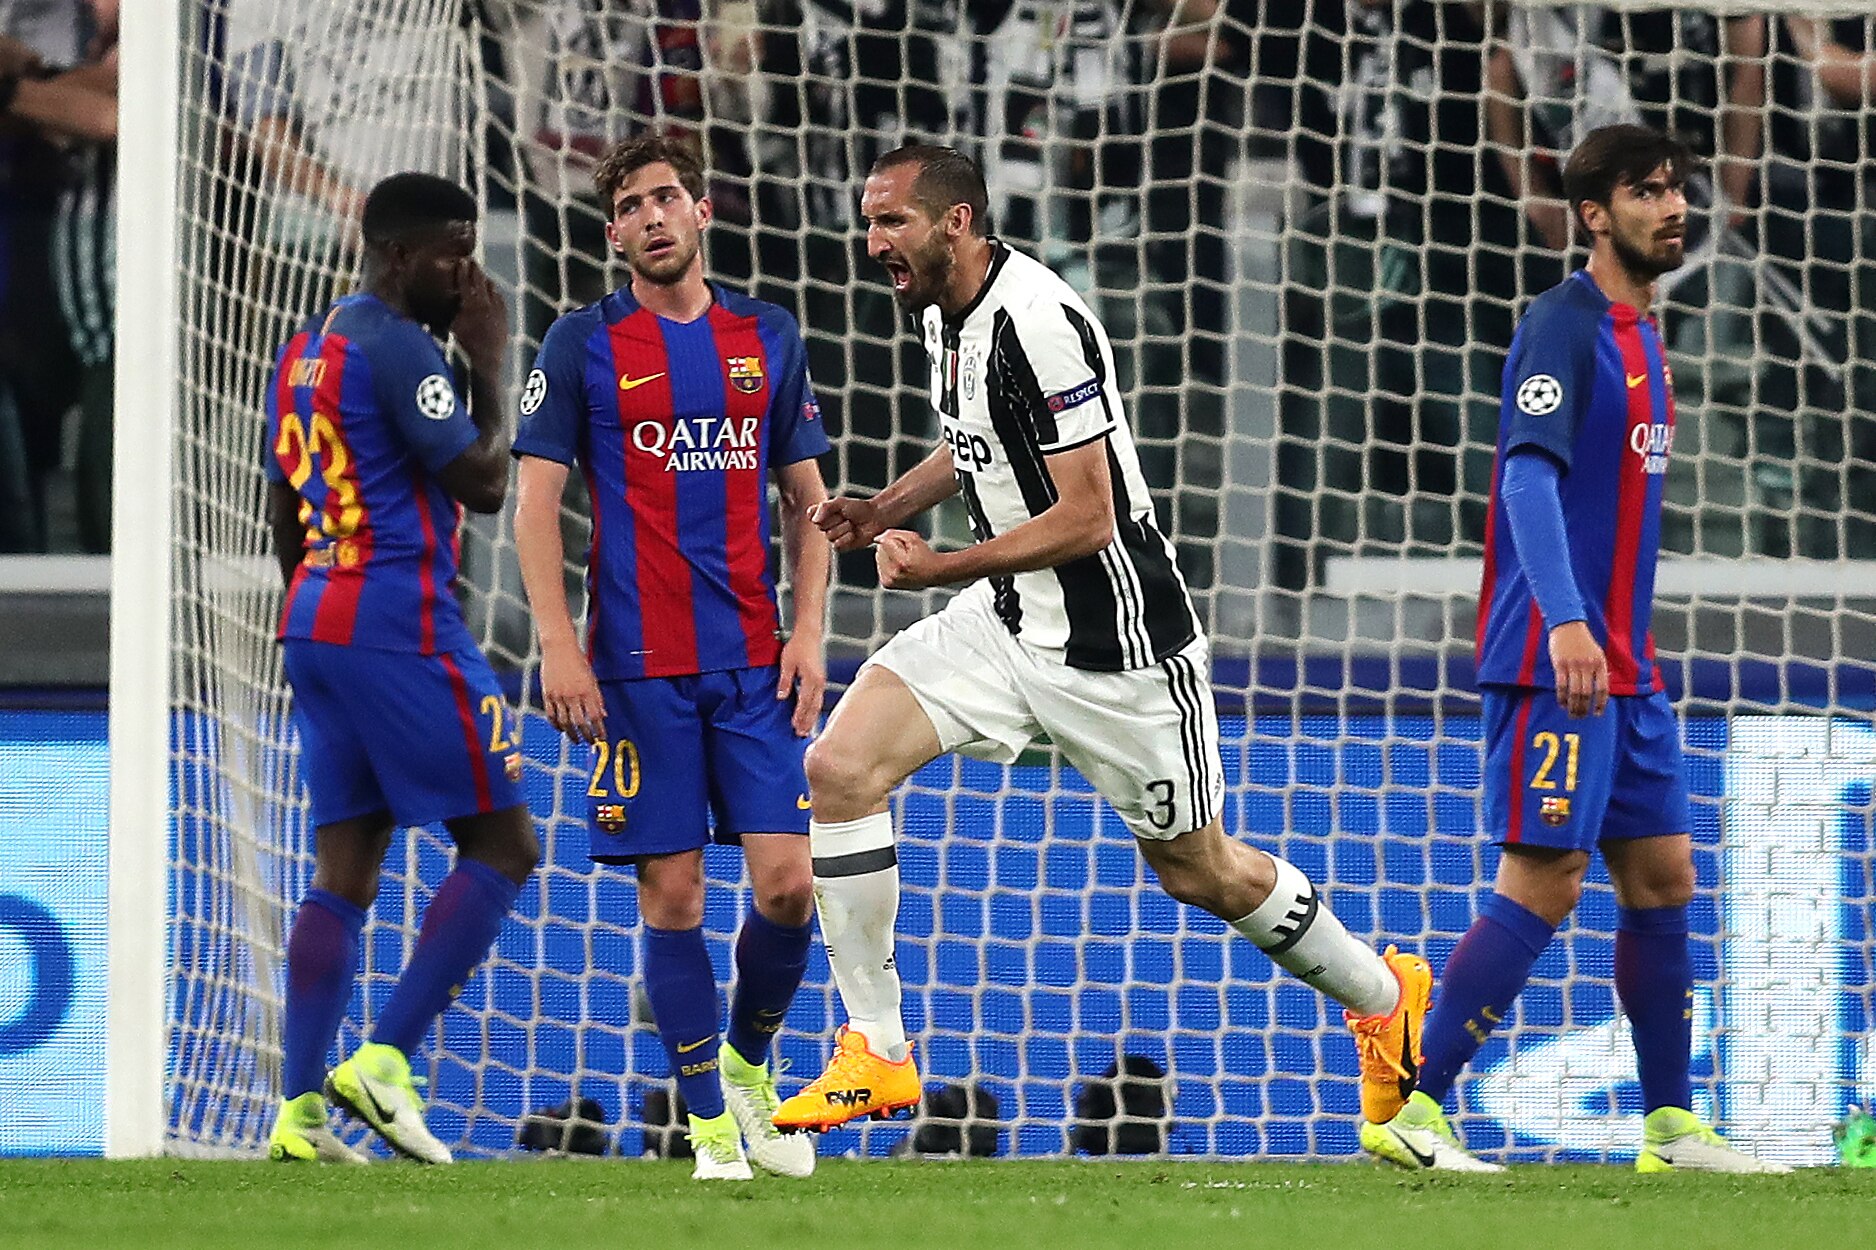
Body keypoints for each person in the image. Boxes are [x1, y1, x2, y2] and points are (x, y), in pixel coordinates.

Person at [770, 143, 1429, 1136]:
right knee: (842, 766)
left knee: (1200, 869)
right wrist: (883, 507)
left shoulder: (1039, 318)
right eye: (869, 222)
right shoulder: (941, 311)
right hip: (1005, 624)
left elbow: (1089, 514)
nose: (873, 243)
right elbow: (975, 439)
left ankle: (1383, 997)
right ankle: (878, 1051)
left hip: (1116, 649)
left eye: (892, 221)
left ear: (954, 222)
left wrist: (939, 565)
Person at [1362, 125, 1786, 1175]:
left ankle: (1671, 1126)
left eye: (1679, 189)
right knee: (1544, 876)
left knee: (1663, 876)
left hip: (1624, 667)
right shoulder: (1563, 323)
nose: (1672, 207)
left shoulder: (1645, 333)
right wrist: (1563, 619)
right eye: (1646, 192)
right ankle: (1414, 1110)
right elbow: (1525, 479)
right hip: (1559, 659)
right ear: (1592, 214)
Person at [512, 135, 832, 1183]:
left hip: (750, 661)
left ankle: (743, 1061)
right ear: (613, 233)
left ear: (702, 209)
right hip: (636, 667)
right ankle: (706, 1130)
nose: (652, 217)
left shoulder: (767, 335)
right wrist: (559, 646)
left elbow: (809, 504)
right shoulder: (578, 343)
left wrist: (812, 629)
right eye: (631, 207)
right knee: (677, 894)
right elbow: (535, 508)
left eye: (665, 199)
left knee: (789, 887)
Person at [262, 173, 540, 1165]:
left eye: (470, 249)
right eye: (447, 252)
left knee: (346, 864)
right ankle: (384, 1060)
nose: (465, 272)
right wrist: (494, 359)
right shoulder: (398, 345)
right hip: (397, 615)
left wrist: (322, 614)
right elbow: (487, 480)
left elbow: (286, 509)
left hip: (316, 618)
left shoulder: (302, 351)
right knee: (507, 842)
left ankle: (297, 1111)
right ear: (393, 254)